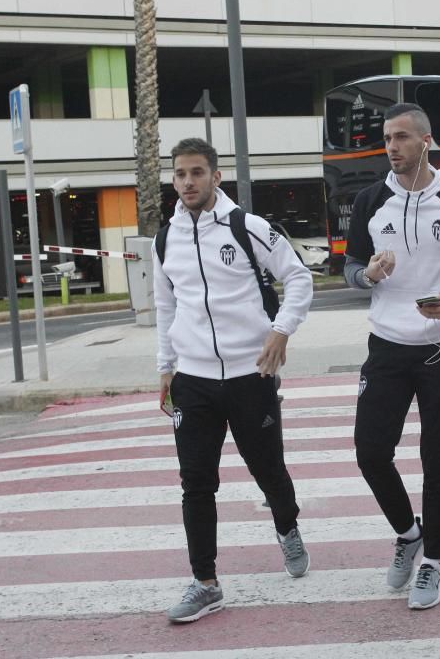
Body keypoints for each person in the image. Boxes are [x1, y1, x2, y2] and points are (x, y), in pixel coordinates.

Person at [344, 103, 440, 610]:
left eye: (402, 137)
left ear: (425, 141)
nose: (392, 146)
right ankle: (408, 533)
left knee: (438, 461)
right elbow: (348, 269)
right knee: (370, 452)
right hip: (386, 347)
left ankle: (432, 560)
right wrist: (367, 275)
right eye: (388, 138)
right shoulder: (370, 201)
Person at [155, 138, 314, 623]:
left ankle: (287, 528)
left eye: (197, 173)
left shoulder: (248, 226)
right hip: (194, 381)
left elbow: (299, 277)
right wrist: (166, 366)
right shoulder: (167, 238)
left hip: (251, 374)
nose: (188, 182)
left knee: (268, 471)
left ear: (215, 176)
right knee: (196, 483)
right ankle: (205, 582)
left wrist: (280, 332)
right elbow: (166, 306)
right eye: (180, 174)